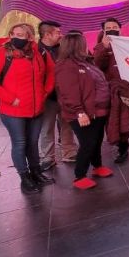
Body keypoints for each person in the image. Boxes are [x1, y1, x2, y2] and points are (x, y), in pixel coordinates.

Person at [0, 23, 55, 194]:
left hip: (36, 108)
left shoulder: (40, 53)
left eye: (21, 35)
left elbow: (51, 72)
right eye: (14, 34)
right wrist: (9, 98)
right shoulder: (4, 54)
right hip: (13, 111)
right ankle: (24, 177)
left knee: (33, 142)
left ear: (30, 37)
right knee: (20, 143)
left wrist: (45, 92)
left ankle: (36, 172)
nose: (17, 37)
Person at [55, 33, 115, 190]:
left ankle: (97, 166)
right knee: (87, 143)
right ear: (76, 46)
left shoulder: (86, 62)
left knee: (96, 141)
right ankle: (79, 175)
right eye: (83, 43)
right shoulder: (66, 66)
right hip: (83, 113)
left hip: (98, 111)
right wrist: (79, 112)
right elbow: (69, 93)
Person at [93, 18, 129, 163]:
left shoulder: (128, 45)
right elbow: (97, 65)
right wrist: (104, 46)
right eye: (108, 27)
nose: (111, 29)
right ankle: (123, 149)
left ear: (120, 29)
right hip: (114, 92)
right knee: (119, 121)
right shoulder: (99, 47)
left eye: (114, 26)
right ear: (103, 30)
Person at [36, 21, 77, 171]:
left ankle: (69, 152)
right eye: (57, 33)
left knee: (67, 124)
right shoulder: (36, 51)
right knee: (47, 127)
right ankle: (48, 157)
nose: (61, 35)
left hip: (65, 95)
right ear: (47, 35)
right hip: (47, 97)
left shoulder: (64, 49)